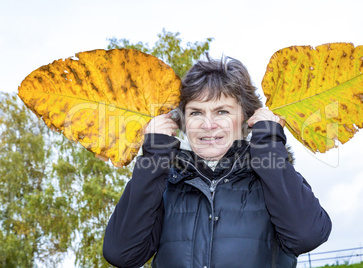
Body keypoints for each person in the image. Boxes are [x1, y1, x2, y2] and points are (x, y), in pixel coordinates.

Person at [103, 56, 332, 268]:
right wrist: (154, 157)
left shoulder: (271, 178)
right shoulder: (164, 185)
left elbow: (307, 236)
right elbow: (121, 254)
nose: (208, 124)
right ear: (182, 121)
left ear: (247, 117)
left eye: (222, 111)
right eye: (196, 113)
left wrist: (269, 144)